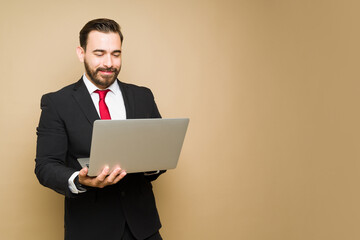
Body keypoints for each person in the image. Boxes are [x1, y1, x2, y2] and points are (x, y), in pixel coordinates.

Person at [35, 18, 164, 240]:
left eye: (116, 54)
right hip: (90, 228)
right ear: (81, 52)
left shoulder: (143, 96)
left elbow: (159, 154)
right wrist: (79, 179)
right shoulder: (57, 103)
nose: (109, 63)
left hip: (144, 228)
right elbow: (46, 166)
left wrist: (153, 164)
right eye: (99, 53)